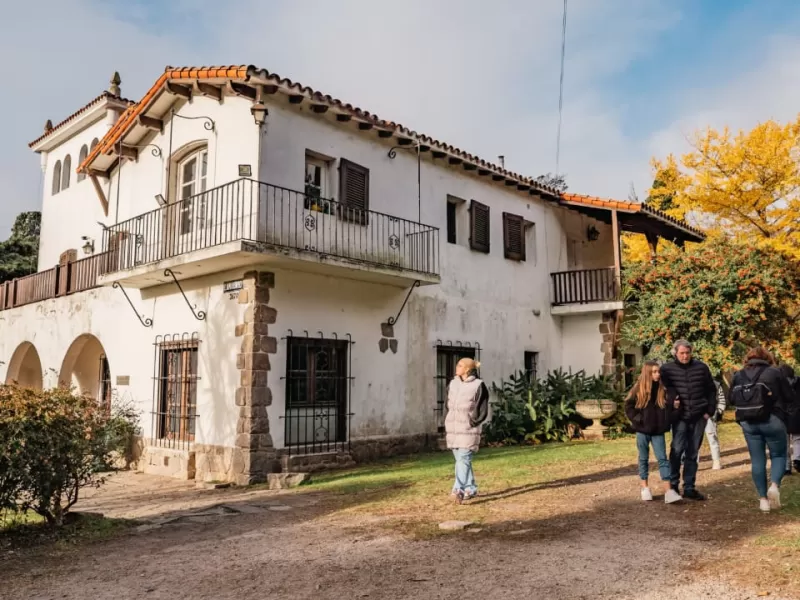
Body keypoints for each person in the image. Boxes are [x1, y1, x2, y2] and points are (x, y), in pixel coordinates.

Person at [729, 347, 793, 512]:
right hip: (772, 419)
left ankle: (763, 500)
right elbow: (789, 396)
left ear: (747, 359)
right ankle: (774, 486)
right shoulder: (775, 372)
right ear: (767, 358)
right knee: (778, 454)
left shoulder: (738, 375)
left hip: (748, 422)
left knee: (757, 460)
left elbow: (731, 398)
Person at [660, 340, 717, 501]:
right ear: (675, 353)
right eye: (682, 353)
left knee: (693, 452)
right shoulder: (667, 370)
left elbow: (711, 389)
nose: (685, 356)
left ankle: (690, 487)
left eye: (687, 353)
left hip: (699, 415)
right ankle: (673, 485)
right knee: (677, 450)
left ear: (691, 352)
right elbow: (662, 391)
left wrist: (709, 411)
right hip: (680, 417)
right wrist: (671, 404)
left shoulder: (701, 367)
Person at [624, 360, 683, 504]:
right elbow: (628, 407)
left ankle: (668, 491)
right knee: (643, 458)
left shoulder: (664, 390)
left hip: (658, 431)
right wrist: (639, 420)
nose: (657, 374)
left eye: (658, 371)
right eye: (654, 372)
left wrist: (674, 410)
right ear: (647, 373)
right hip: (642, 431)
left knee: (662, 459)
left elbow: (668, 411)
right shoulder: (638, 389)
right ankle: (644, 488)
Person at [444, 357, 489, 504]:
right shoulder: (452, 384)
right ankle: (471, 488)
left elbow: (482, 409)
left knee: (463, 459)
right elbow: (447, 404)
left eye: (460, 365)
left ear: (468, 369)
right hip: (453, 429)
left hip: (468, 429)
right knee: (461, 460)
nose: (456, 367)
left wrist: (472, 422)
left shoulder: (478, 385)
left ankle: (459, 489)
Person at [777, 363, 800, 475]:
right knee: (797, 439)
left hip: (783, 415)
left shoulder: (778, 384)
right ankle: (798, 459)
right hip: (797, 415)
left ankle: (786, 467)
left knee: (784, 442)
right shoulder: (799, 382)